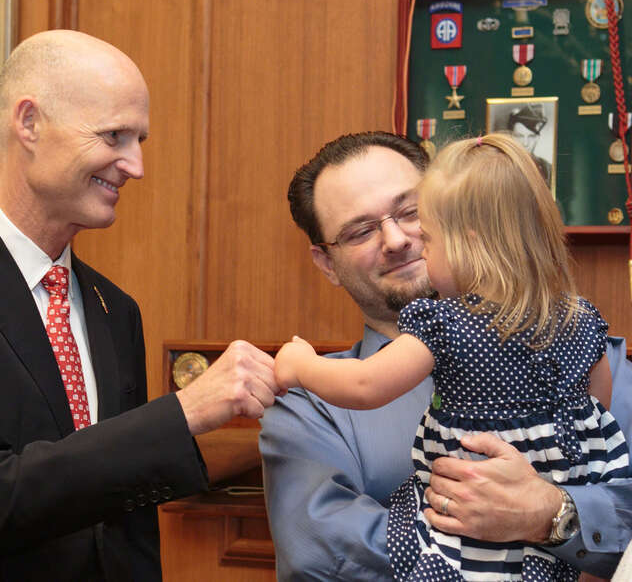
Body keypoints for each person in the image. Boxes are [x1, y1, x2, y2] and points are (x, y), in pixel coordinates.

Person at [0, 30, 282, 581]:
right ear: (29, 123)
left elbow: (123, 503)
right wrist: (185, 412)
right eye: (115, 136)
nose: (136, 165)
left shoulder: (113, 308)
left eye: (140, 139)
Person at [259, 131, 632, 580]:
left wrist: (555, 514)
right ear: (325, 263)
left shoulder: (587, 352)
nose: (396, 239)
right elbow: (322, 555)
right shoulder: (311, 404)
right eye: (360, 230)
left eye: (413, 212)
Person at [508, 103, 552, 185]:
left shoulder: (548, 169)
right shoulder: (500, 165)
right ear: (511, 137)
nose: (525, 143)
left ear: (537, 138)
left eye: (531, 136)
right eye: (519, 136)